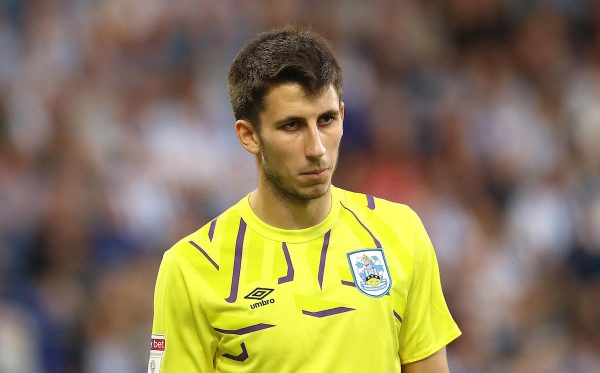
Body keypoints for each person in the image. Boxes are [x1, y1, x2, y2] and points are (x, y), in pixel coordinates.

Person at [148, 27, 461, 373]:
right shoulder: (191, 268)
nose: (317, 148)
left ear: (342, 115)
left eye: (326, 120)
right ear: (249, 135)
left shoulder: (400, 231)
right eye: (292, 126)